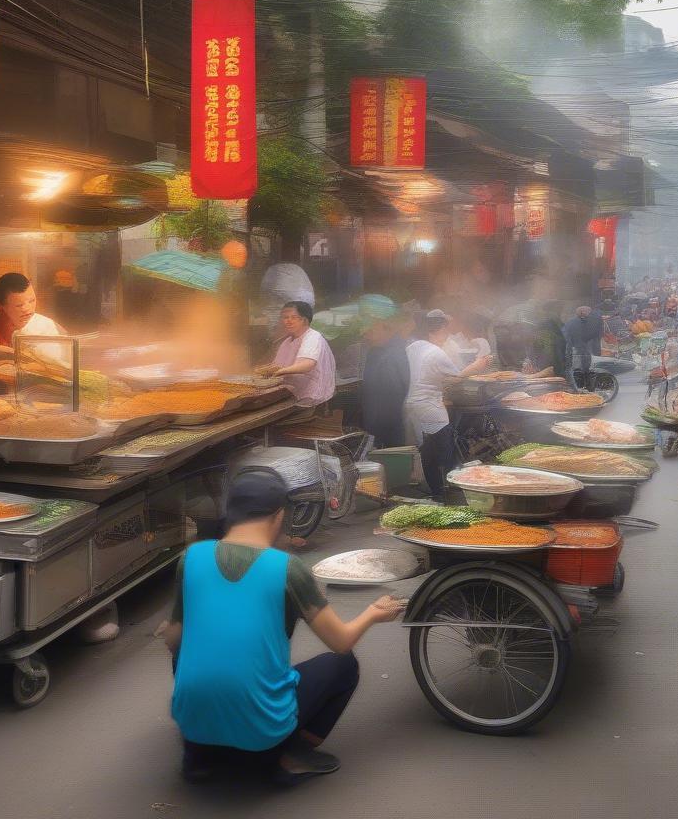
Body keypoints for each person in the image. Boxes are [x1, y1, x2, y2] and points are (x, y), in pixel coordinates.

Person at [165, 472, 405, 785]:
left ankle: (199, 759)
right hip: (261, 736)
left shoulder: (191, 557)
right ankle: (288, 753)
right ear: (278, 516)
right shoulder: (287, 568)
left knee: (185, 652)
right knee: (343, 665)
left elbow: (173, 637)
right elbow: (341, 642)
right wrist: (373, 613)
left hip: (194, 732)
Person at [404, 310, 491, 499]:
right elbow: (456, 377)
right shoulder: (436, 352)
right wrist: (477, 366)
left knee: (427, 450)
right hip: (430, 407)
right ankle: (452, 493)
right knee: (445, 450)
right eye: (445, 331)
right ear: (435, 331)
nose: (447, 336)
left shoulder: (413, 346)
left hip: (412, 405)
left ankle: (437, 492)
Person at [0, 272, 62, 365]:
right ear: (1, 306)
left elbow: (54, 365)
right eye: (19, 305)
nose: (27, 309)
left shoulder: (45, 326)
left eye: (32, 301)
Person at [265, 301, 336, 408]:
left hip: (311, 396)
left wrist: (280, 371)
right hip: (293, 393)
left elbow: (308, 364)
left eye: (294, 317)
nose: (288, 321)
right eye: (285, 317)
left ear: (305, 320)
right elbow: (277, 365)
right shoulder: (287, 341)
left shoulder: (313, 337)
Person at [361, 317, 410, 449]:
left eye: (371, 330)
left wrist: (377, 423)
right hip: (377, 419)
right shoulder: (375, 351)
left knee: (392, 456)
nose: (365, 334)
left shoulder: (395, 353)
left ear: (384, 328)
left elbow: (395, 391)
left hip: (388, 421)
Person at [564, 305, 601, 390]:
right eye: (588, 312)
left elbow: (566, 336)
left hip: (574, 350)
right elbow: (595, 337)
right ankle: (588, 389)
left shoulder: (570, 322)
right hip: (584, 351)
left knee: (577, 371)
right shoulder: (591, 322)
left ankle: (579, 388)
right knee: (587, 371)